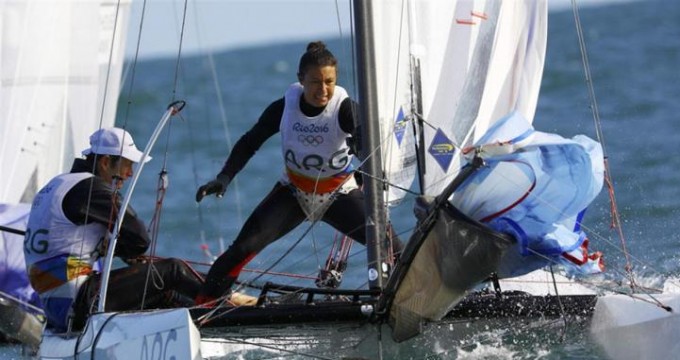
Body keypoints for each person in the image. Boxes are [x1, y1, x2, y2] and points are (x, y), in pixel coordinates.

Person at [194, 41, 401, 304]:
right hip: (293, 193)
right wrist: (224, 178)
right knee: (242, 249)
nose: (323, 90)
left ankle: (410, 301)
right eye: (315, 82)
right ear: (301, 80)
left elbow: (369, 144)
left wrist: (362, 150)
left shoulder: (345, 108)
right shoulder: (284, 108)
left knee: (392, 250)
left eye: (329, 81)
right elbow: (250, 141)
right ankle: (201, 308)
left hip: (339, 193)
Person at [23, 127, 203, 332]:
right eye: (127, 165)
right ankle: (228, 306)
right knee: (172, 270)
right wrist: (124, 250)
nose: (130, 173)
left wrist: (109, 248)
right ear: (106, 162)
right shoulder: (90, 188)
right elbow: (139, 239)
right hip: (80, 301)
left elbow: (63, 243)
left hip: (57, 309)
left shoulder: (57, 184)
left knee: (163, 294)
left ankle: (209, 320)